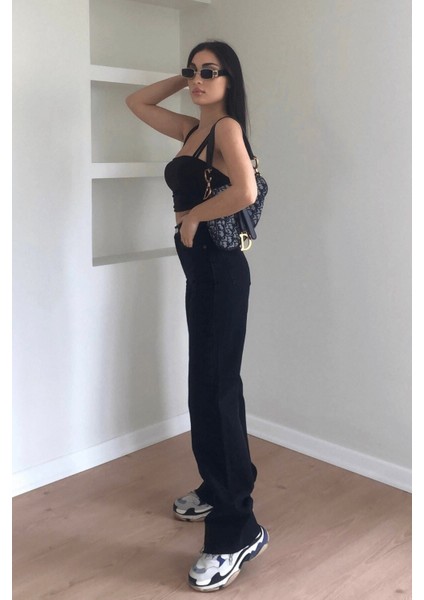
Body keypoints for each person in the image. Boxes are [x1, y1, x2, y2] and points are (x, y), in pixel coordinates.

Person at [126, 40, 268, 593]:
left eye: (210, 71)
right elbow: (137, 103)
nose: (198, 79)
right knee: (205, 385)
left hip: (220, 268)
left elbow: (244, 191)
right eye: (193, 70)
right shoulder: (193, 129)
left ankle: (239, 531)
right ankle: (218, 484)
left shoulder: (226, 128)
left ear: (231, 79)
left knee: (216, 389)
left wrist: (192, 219)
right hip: (202, 269)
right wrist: (181, 76)